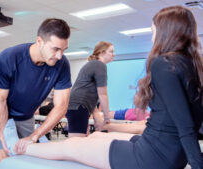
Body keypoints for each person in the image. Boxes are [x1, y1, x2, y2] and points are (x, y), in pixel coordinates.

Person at [11, 6, 203, 169]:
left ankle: (21, 146)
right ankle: (30, 143)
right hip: (167, 151)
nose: (153, 39)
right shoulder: (192, 65)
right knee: (94, 137)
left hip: (155, 156)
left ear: (166, 33)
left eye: (154, 32)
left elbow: (184, 125)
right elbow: (191, 123)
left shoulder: (164, 64)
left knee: (70, 146)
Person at [0, 18, 71, 167]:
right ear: (39, 41)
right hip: (0, 109)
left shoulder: (62, 64)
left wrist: (34, 136)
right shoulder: (8, 57)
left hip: (26, 114)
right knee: (5, 155)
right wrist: (2, 135)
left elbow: (61, 106)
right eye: (56, 49)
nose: (60, 55)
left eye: (64, 50)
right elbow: (1, 101)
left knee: (28, 155)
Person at [66, 41, 114, 137]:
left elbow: (89, 93)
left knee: (80, 140)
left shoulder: (93, 64)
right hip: (79, 107)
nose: (114, 54)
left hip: (77, 107)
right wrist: (107, 117)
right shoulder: (100, 65)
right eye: (111, 51)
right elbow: (102, 94)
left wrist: (97, 116)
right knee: (76, 143)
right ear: (102, 52)